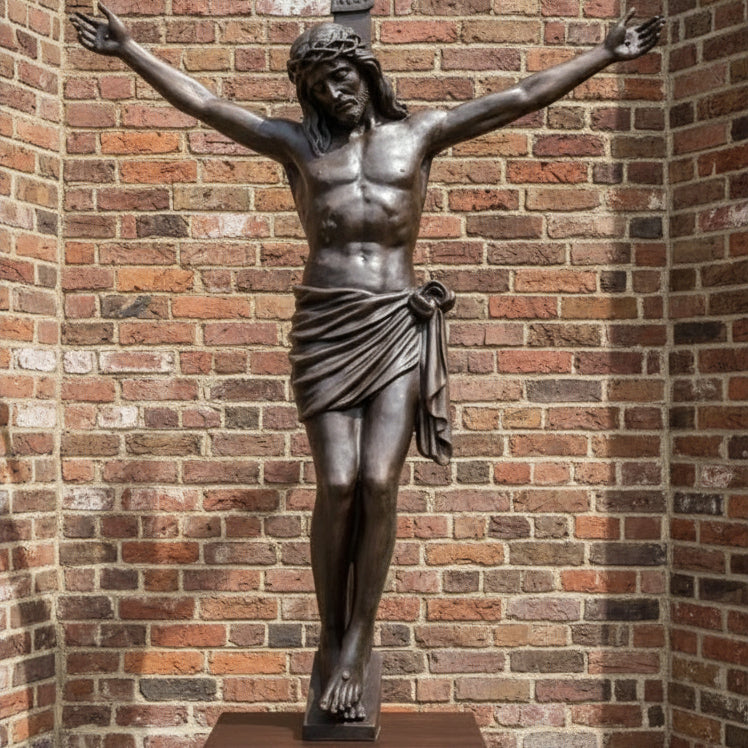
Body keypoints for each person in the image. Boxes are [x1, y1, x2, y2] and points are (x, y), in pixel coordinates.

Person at [71, 5, 665, 722]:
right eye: (320, 85)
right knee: (338, 483)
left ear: (366, 73)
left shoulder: (418, 136)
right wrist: (130, 50)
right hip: (326, 326)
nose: (335, 93)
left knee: (379, 480)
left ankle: (358, 639)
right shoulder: (297, 145)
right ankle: (329, 633)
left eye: (343, 77)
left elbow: (518, 96)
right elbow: (207, 104)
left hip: (395, 324)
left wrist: (604, 54)